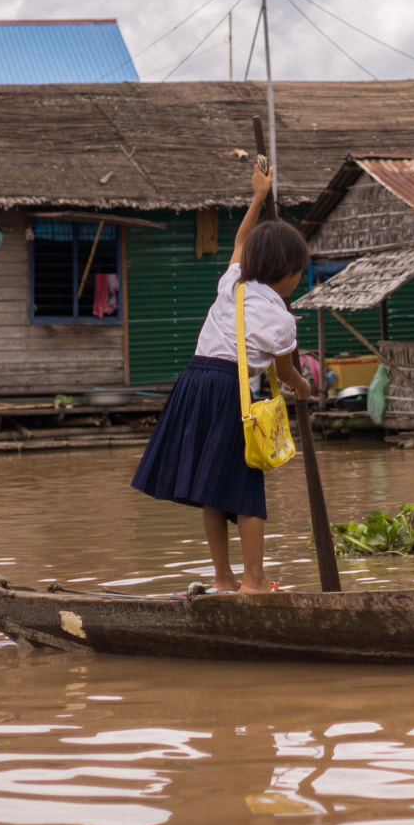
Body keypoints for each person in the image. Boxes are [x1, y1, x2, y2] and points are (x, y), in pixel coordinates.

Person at [131, 163, 313, 594]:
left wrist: (257, 196)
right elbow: (286, 372)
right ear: (286, 273)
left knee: (212, 488)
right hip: (229, 392)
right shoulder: (282, 318)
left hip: (194, 384)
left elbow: (238, 241)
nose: (298, 280)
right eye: (298, 273)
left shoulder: (234, 282)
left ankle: (224, 578)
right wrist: (304, 390)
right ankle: (254, 581)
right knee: (246, 490)